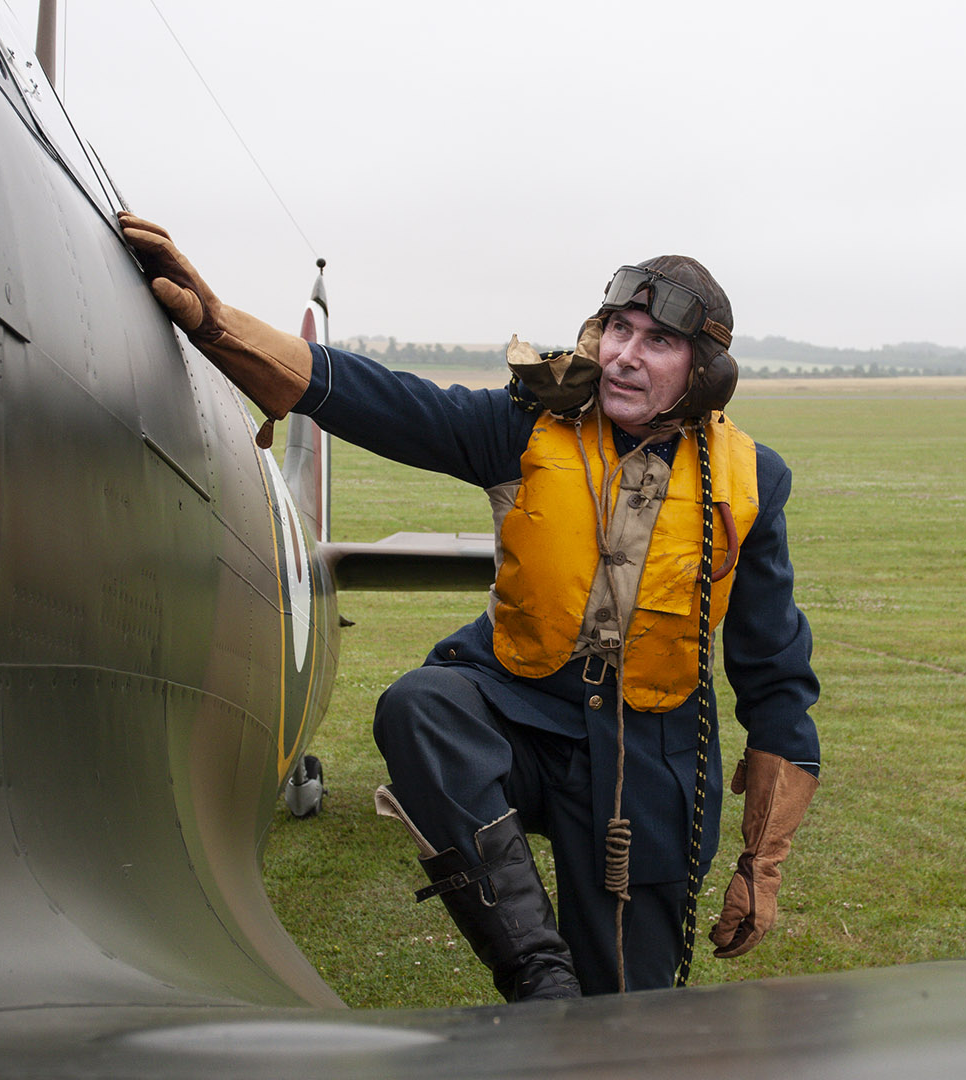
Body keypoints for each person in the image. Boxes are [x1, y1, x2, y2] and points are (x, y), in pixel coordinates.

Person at [120, 213, 821, 1000]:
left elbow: (776, 681)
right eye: (618, 329)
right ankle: (538, 980)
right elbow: (389, 402)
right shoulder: (531, 424)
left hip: (645, 763)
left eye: (656, 341)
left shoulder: (753, 482)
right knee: (424, 707)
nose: (625, 356)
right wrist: (223, 328)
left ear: (704, 373)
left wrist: (762, 865)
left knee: (634, 1015)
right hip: (518, 716)